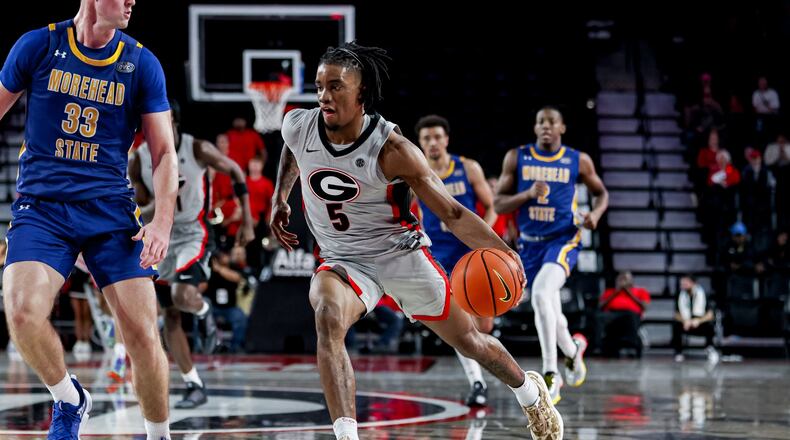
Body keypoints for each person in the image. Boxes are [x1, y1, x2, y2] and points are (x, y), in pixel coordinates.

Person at [270, 42, 563, 440]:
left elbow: (453, 214)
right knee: (327, 315)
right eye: (320, 86)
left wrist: (502, 251)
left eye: (336, 87)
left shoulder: (393, 150)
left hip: (401, 256)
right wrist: (279, 198)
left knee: (471, 341)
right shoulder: (298, 124)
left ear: (362, 95)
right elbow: (291, 150)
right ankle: (346, 436)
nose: (324, 96)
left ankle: (531, 395)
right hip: (344, 259)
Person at [0, 1, 178, 438]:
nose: (133, 2)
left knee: (141, 332)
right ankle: (69, 398)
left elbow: (164, 153)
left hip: (110, 212)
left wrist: (161, 224)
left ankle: (159, 434)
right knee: (21, 313)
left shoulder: (141, 62)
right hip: (42, 208)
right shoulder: (38, 45)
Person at [129, 100, 255, 409]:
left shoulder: (195, 148)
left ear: (175, 122)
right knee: (169, 314)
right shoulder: (138, 159)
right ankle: (193, 384)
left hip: (193, 234)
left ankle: (203, 312)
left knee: (184, 295)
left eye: (162, 120)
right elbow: (141, 206)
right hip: (160, 237)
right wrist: (150, 206)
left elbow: (236, 170)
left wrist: (248, 221)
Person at [494, 106, 609, 404]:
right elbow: (499, 203)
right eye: (540, 122)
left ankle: (550, 373)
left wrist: (595, 214)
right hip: (529, 245)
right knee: (551, 314)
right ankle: (573, 350)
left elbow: (601, 192)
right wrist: (528, 194)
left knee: (542, 296)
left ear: (562, 128)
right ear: (535, 128)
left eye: (552, 122)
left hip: (564, 239)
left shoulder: (577, 159)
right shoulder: (517, 157)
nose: (546, 126)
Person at [414, 114, 497, 407]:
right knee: (463, 327)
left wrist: (481, 237)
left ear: (446, 139)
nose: (433, 143)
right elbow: (411, 214)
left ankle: (488, 365)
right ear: (421, 144)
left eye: (437, 137)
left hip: (473, 254)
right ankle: (478, 383)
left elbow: (492, 207)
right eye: (427, 138)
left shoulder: (467, 168)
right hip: (441, 258)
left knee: (483, 326)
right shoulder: (416, 175)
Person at [598, 271, 650, 358]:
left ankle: (632, 344)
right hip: (612, 314)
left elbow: (644, 306)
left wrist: (628, 292)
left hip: (631, 314)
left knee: (630, 317)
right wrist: (616, 292)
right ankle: (598, 345)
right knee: (598, 317)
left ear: (631, 280)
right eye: (620, 279)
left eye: (625, 279)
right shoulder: (610, 292)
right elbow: (601, 306)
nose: (622, 281)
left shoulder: (640, 291)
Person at [673, 275, 718, 363]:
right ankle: (678, 352)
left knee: (710, 325)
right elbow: (676, 314)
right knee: (676, 325)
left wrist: (698, 321)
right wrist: (685, 321)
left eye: (685, 283)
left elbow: (710, 314)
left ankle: (710, 348)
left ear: (692, 283)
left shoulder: (703, 293)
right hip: (686, 322)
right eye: (682, 284)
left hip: (700, 322)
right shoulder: (680, 294)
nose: (683, 286)